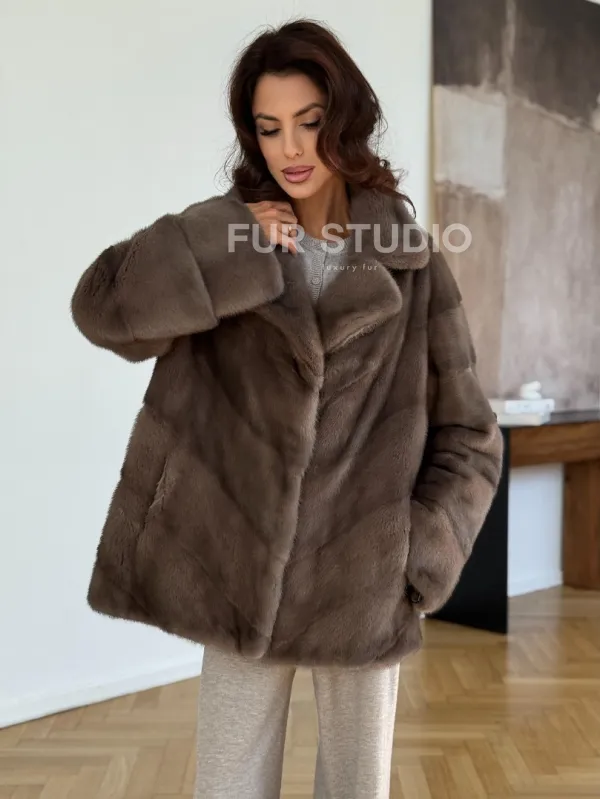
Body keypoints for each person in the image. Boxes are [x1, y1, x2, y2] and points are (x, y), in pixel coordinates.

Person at [70, 18, 503, 799]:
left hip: (361, 581)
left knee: (354, 789)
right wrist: (216, 239)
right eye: (269, 128)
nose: (291, 148)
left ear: (346, 121)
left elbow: (469, 431)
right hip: (241, 571)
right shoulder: (229, 244)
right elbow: (100, 309)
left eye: (309, 122)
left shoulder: (412, 265)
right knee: (226, 785)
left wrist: (418, 555)